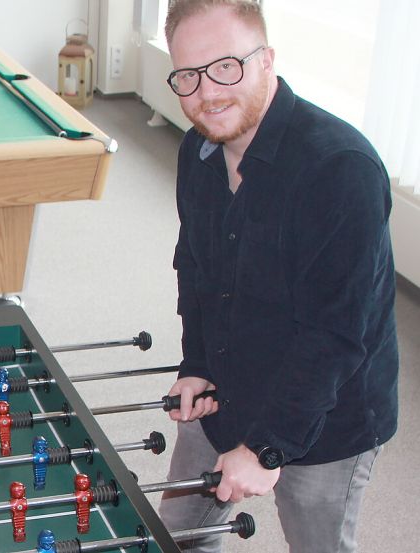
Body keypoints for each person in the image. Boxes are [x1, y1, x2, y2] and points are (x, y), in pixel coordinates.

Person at [158, 2, 399, 552]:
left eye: (227, 66)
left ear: (267, 60)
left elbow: (335, 336)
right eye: (188, 76)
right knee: (175, 539)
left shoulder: (340, 170)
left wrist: (268, 448)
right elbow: (194, 269)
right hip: (226, 388)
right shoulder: (196, 151)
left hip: (326, 414)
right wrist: (195, 364)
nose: (207, 93)